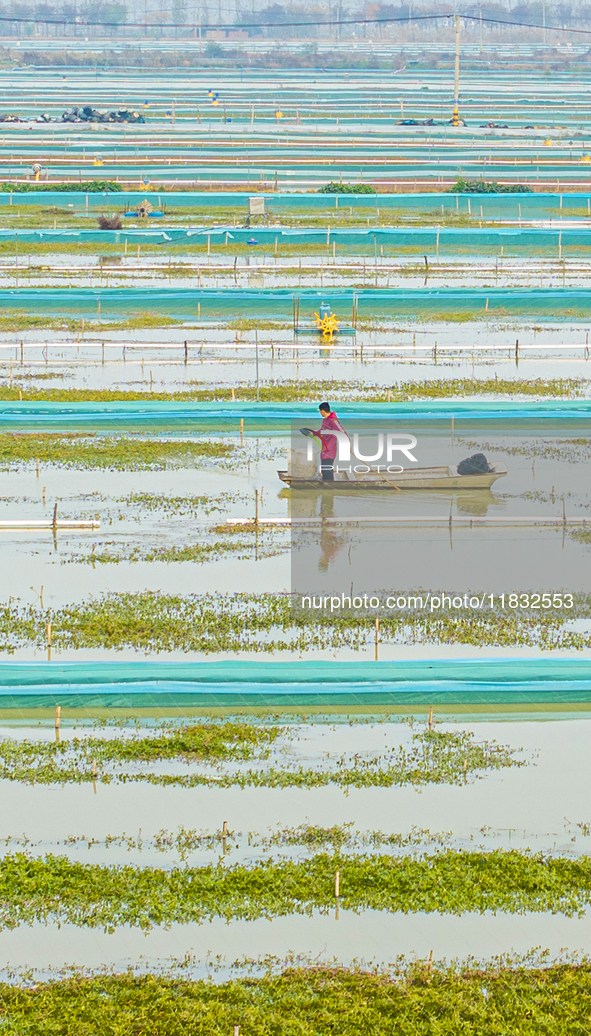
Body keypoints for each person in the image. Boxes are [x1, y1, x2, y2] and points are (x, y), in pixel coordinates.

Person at [314, 402, 349, 482]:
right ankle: (327, 489)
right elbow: (322, 431)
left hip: (330, 450)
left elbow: (342, 431)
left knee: (327, 471)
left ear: (322, 411)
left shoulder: (333, 420)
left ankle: (329, 487)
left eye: (320, 411)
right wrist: (313, 433)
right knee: (324, 471)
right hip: (324, 450)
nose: (320, 413)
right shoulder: (325, 420)